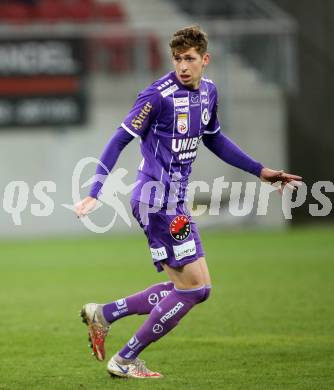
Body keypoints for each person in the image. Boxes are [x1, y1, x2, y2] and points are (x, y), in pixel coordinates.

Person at [75, 26, 302, 379]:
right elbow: (118, 139)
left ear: (204, 60)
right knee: (194, 289)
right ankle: (124, 359)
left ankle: (105, 313)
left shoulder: (208, 92)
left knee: (197, 288)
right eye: (178, 59)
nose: (183, 66)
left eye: (190, 59)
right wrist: (95, 190)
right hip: (155, 200)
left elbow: (215, 138)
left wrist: (260, 171)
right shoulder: (156, 96)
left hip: (174, 203)